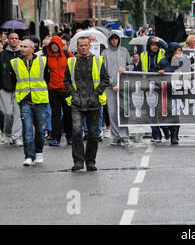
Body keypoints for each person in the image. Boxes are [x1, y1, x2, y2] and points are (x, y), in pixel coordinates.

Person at [64, 37, 110, 171]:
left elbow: (105, 79)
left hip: (93, 102)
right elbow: (66, 80)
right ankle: (78, 161)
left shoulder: (98, 60)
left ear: (89, 46)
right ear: (77, 47)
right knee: (77, 131)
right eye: (81, 46)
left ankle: (90, 161)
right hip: (77, 102)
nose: (83, 48)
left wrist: (96, 94)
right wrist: (73, 94)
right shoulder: (71, 61)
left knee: (93, 134)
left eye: (85, 45)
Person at [10, 39, 49, 166]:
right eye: (21, 46)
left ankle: (39, 153)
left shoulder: (43, 61)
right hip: (25, 100)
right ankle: (29, 156)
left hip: (40, 99)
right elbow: (13, 79)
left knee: (40, 130)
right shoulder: (14, 62)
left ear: (33, 49)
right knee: (27, 129)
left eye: (25, 47)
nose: (22, 49)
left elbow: (47, 78)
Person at [102, 32, 134, 146]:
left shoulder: (124, 51)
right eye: (112, 39)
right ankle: (115, 136)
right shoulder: (105, 53)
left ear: (119, 40)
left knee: (124, 111)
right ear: (109, 40)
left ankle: (124, 135)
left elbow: (132, 65)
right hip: (110, 88)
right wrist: (112, 84)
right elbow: (104, 71)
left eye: (116, 39)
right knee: (113, 111)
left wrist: (125, 68)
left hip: (123, 86)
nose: (114, 41)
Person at [136, 36, 170, 142]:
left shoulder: (163, 53)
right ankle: (156, 135)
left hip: (161, 86)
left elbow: (171, 51)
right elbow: (138, 70)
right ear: (148, 46)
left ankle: (166, 130)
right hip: (147, 87)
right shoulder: (143, 56)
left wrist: (160, 41)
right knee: (150, 112)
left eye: (156, 45)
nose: (154, 47)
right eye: (152, 45)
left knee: (160, 111)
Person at [45, 36, 74, 147]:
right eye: (52, 44)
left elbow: (74, 68)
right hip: (53, 90)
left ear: (60, 45)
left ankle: (70, 136)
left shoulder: (68, 55)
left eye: (56, 44)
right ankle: (56, 137)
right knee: (55, 114)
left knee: (68, 114)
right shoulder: (47, 58)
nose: (54, 46)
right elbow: (45, 73)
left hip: (67, 89)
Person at [156, 42, 185, 145]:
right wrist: (161, 71)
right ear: (173, 51)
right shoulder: (163, 62)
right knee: (164, 113)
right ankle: (166, 131)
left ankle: (174, 136)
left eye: (181, 51)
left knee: (175, 114)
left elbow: (188, 70)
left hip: (177, 91)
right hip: (165, 91)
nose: (180, 53)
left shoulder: (182, 61)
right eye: (178, 50)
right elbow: (153, 72)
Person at [0, 32, 23, 147]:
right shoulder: (2, 55)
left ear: (19, 40)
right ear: (8, 40)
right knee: (8, 113)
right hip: (5, 87)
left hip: (19, 87)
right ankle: (7, 132)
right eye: (12, 38)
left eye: (16, 38)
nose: (14, 40)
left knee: (18, 113)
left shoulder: (22, 54)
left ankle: (16, 137)